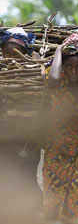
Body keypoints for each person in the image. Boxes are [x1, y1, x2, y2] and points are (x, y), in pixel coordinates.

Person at [43, 33, 78, 220]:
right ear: (62, 66)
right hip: (56, 149)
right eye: (69, 66)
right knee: (53, 201)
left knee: (77, 198)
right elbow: (53, 78)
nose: (74, 71)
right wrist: (59, 49)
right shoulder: (56, 82)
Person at [0, 27, 43, 216]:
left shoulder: (35, 72)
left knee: (27, 176)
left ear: (27, 53)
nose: (11, 57)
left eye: (17, 53)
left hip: (28, 138)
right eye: (6, 52)